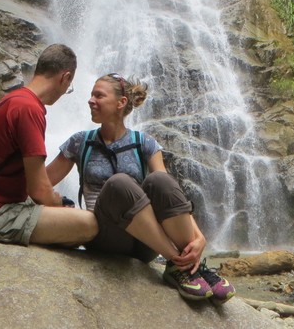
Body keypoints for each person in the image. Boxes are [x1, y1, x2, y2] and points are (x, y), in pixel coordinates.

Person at [46, 73, 235, 304]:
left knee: (161, 181)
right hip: (106, 237)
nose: (90, 100)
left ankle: (191, 264)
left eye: (99, 95)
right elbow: (42, 184)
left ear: (121, 102)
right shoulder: (80, 142)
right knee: (120, 182)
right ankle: (178, 263)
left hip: (146, 242)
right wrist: (57, 204)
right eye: (91, 95)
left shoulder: (145, 143)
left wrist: (199, 237)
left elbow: (171, 195)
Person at [0, 44, 98, 248]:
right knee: (89, 224)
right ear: (65, 77)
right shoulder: (29, 109)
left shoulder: (14, 99)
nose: (64, 92)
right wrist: (60, 204)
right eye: (69, 87)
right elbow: (40, 191)